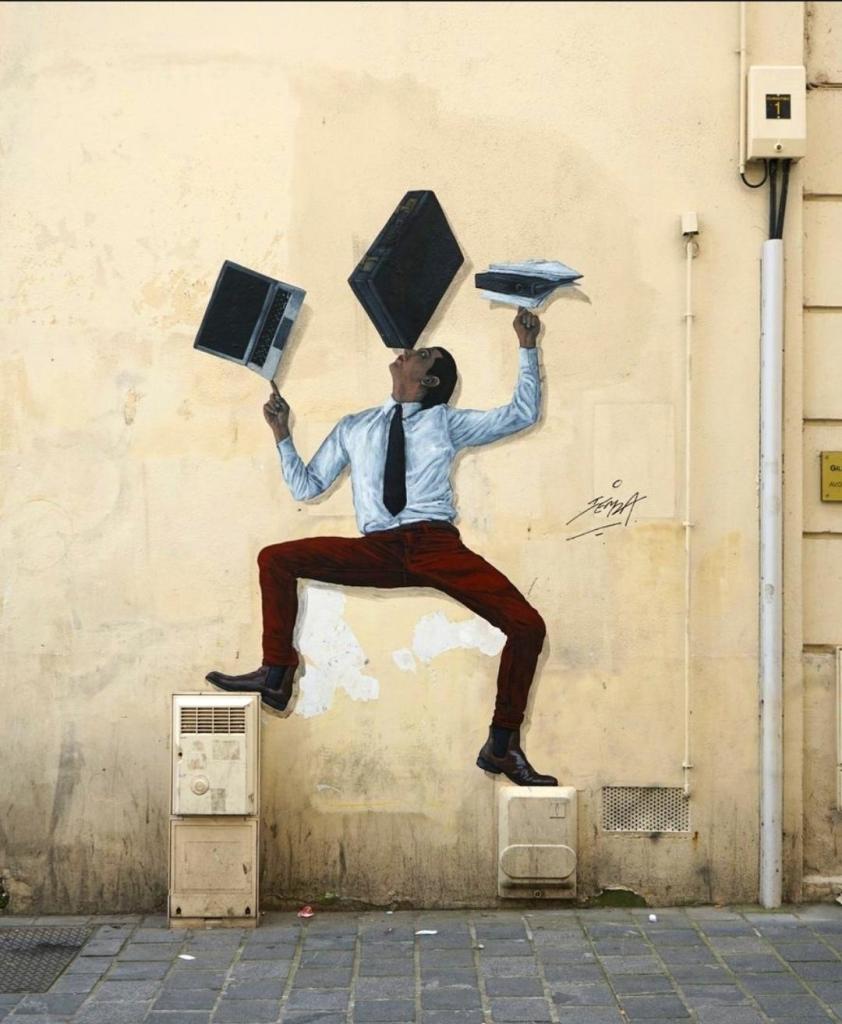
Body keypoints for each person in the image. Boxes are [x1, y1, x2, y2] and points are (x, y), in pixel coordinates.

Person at [207, 308, 557, 786]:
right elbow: (308, 487)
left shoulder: (446, 422)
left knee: (528, 626)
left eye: (423, 354)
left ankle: (502, 743)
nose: (408, 351)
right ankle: (276, 675)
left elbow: (521, 413)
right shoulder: (356, 426)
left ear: (430, 381)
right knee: (277, 559)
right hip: (378, 550)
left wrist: (526, 344)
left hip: (434, 545)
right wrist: (283, 435)